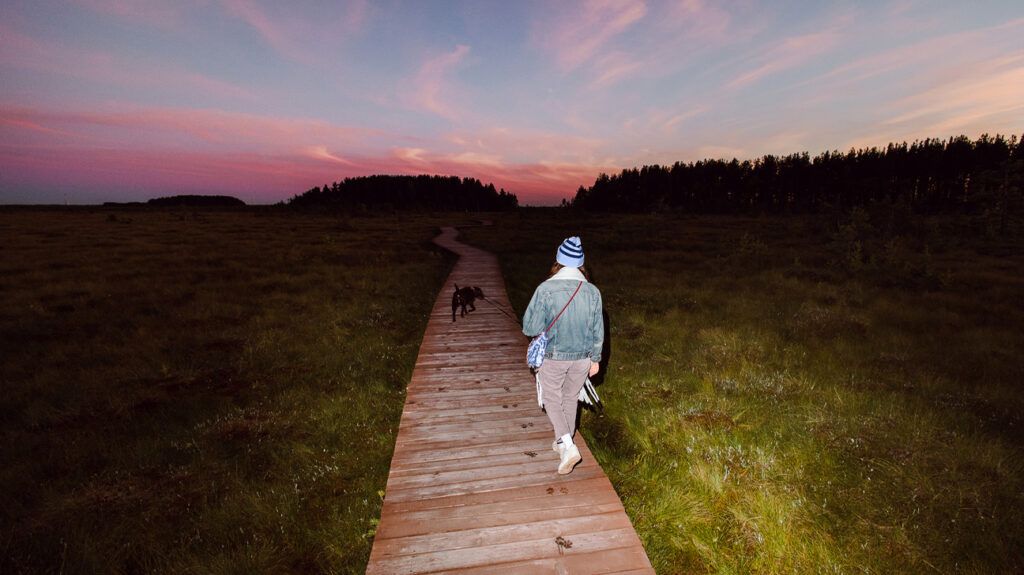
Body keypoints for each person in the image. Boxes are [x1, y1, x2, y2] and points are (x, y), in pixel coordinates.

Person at [523, 236, 604, 475]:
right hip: (582, 358)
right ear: (580, 264)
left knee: (551, 398)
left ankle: (567, 445)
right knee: (570, 398)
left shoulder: (545, 289)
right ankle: (563, 441)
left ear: (558, 261)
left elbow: (530, 327)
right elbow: (598, 329)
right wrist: (596, 358)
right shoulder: (592, 292)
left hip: (553, 356)